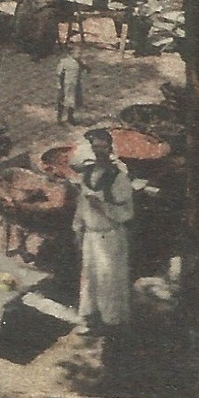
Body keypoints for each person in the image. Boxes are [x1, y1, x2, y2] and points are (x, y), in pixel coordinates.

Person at [70, 128, 134, 336]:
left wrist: (103, 207)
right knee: (90, 277)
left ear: (110, 148)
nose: (99, 152)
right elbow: (82, 203)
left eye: (103, 147)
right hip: (91, 235)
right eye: (95, 147)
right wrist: (78, 227)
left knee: (109, 279)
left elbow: (127, 213)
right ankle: (91, 318)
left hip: (110, 236)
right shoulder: (87, 173)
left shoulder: (118, 178)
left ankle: (113, 324)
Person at [57, 50, 86, 124]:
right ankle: (59, 118)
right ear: (71, 53)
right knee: (63, 100)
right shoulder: (64, 61)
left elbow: (87, 68)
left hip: (76, 84)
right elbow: (59, 74)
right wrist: (59, 84)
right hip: (66, 84)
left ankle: (70, 117)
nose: (79, 55)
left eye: (80, 53)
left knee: (73, 101)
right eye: (78, 53)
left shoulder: (78, 62)